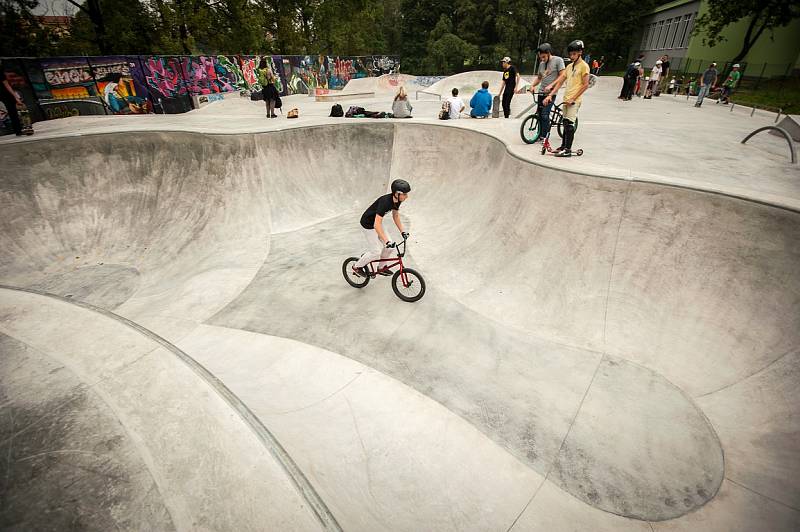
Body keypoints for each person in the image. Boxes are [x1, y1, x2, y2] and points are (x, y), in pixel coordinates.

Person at [352, 179, 411, 277]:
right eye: (404, 194)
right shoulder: (385, 202)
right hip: (368, 224)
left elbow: (395, 216)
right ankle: (356, 267)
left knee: (390, 248)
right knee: (376, 252)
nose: (407, 196)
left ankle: (381, 267)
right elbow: (376, 225)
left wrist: (403, 231)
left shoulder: (397, 200)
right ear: (397, 193)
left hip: (377, 223)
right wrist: (386, 241)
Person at [543, 39, 590, 157]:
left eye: (574, 54)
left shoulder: (584, 66)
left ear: (580, 52)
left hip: (574, 101)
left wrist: (573, 98)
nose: (572, 56)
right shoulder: (569, 67)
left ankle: (568, 150)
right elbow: (560, 81)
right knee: (564, 123)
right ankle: (563, 146)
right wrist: (550, 93)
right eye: (570, 54)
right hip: (566, 99)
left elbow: (585, 85)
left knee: (569, 125)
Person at [530, 43, 565, 141]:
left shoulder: (558, 60)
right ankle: (539, 133)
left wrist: (551, 85)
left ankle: (544, 136)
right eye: (541, 57)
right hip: (541, 92)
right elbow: (539, 78)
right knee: (540, 113)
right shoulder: (541, 64)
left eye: (544, 57)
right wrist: (532, 85)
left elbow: (562, 75)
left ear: (549, 53)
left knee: (545, 114)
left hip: (551, 92)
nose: (542, 59)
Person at [0, 60, 29, 136]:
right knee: (12, 112)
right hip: (5, 94)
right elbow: (7, 85)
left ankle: (18, 130)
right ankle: (18, 130)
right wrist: (16, 97)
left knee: (11, 112)